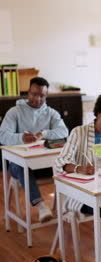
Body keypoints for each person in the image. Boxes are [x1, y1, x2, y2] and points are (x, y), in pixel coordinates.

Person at [54, 91, 101, 262]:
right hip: (79, 195)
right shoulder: (78, 133)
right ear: (99, 111)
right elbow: (60, 163)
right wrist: (80, 168)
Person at [0, 77, 68, 223]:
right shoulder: (15, 112)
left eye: (41, 96)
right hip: (19, 166)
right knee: (19, 166)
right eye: (34, 94)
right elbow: (3, 136)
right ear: (28, 93)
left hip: (45, 164)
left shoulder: (51, 113)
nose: (37, 98)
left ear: (46, 96)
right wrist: (21, 138)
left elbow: (64, 132)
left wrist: (43, 133)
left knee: (66, 163)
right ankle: (41, 206)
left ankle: (69, 207)